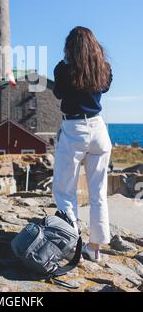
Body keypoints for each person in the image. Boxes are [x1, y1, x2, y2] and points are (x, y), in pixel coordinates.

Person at [52, 26, 112, 262]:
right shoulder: (102, 68)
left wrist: (67, 62)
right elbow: (106, 86)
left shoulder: (63, 69)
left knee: (65, 190)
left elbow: (58, 93)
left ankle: (71, 242)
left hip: (74, 128)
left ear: (70, 48)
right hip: (98, 129)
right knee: (98, 193)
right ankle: (94, 248)